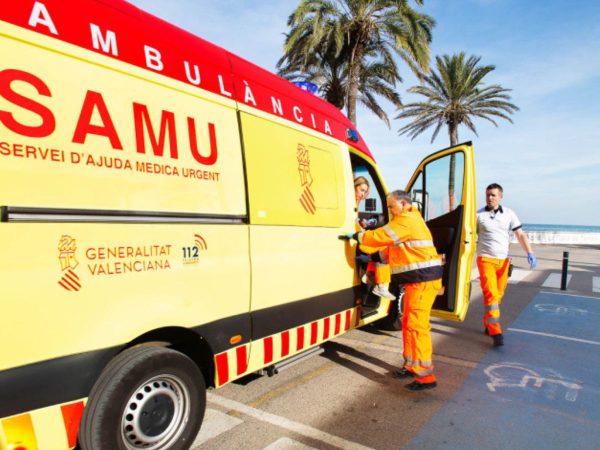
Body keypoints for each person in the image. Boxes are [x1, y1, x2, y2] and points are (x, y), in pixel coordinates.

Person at [341, 190, 443, 391]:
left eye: (391, 206)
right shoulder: (408, 221)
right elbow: (392, 251)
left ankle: (426, 376)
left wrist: (358, 235)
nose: (389, 210)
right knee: (408, 323)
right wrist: (371, 258)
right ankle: (411, 366)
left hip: (423, 281)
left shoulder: (406, 220)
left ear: (404, 204)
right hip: (418, 281)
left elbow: (381, 235)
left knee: (417, 325)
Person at [476, 183, 537, 347]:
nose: (490, 198)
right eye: (488, 195)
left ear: (500, 197)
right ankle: (496, 332)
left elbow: (520, 234)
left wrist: (529, 252)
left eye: (493, 195)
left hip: (503, 261)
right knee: (491, 295)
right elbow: (467, 236)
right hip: (485, 260)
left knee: (498, 295)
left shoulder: (509, 214)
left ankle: (488, 323)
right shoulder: (478, 215)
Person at [353, 177, 395, 300]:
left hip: (358, 236)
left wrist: (362, 225)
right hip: (356, 239)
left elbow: (353, 220)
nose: (362, 194)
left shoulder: (354, 202)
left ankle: (370, 275)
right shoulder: (351, 201)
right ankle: (381, 285)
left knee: (377, 246)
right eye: (361, 190)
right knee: (383, 249)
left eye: (364, 192)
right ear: (354, 186)